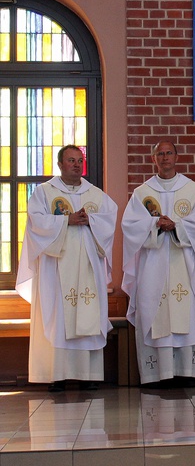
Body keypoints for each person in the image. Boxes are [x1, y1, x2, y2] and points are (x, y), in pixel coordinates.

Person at [16, 145, 117, 392]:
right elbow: (36, 222)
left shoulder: (95, 195)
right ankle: (58, 376)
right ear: (60, 164)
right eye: (71, 160)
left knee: (88, 312)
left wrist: (90, 219)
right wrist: (66, 221)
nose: (76, 164)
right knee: (58, 317)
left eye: (79, 160)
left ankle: (89, 375)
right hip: (56, 266)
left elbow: (109, 220)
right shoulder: (44, 193)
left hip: (88, 267)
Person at [121, 141, 195, 387]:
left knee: (186, 313)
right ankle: (157, 376)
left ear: (177, 156)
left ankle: (188, 372)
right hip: (153, 263)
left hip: (184, 263)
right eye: (159, 154)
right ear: (153, 159)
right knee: (155, 311)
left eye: (168, 153)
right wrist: (154, 225)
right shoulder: (142, 193)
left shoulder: (193, 190)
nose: (164, 157)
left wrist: (177, 226)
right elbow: (129, 227)